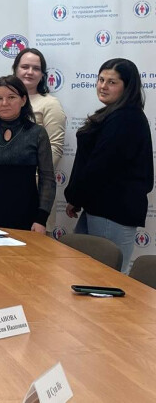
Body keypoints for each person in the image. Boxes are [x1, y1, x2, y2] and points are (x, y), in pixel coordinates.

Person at [65, 59, 153, 274]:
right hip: (98, 207)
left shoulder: (126, 118)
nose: (103, 86)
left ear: (127, 87)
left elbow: (100, 167)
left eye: (112, 82)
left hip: (112, 211)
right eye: (101, 80)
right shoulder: (113, 114)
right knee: (84, 275)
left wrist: (76, 197)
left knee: (106, 279)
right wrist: (78, 199)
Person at [0, 76, 55, 233]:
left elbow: (47, 178)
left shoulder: (37, 133)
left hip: (28, 215)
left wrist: (41, 219)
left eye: (11, 97)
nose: (4, 103)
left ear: (23, 100)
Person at [12, 48, 66, 167]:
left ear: (42, 75)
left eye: (36, 68)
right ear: (15, 70)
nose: (30, 72)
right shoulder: (2, 100)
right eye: (25, 67)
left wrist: (36, 175)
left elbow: (54, 147)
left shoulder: (50, 104)